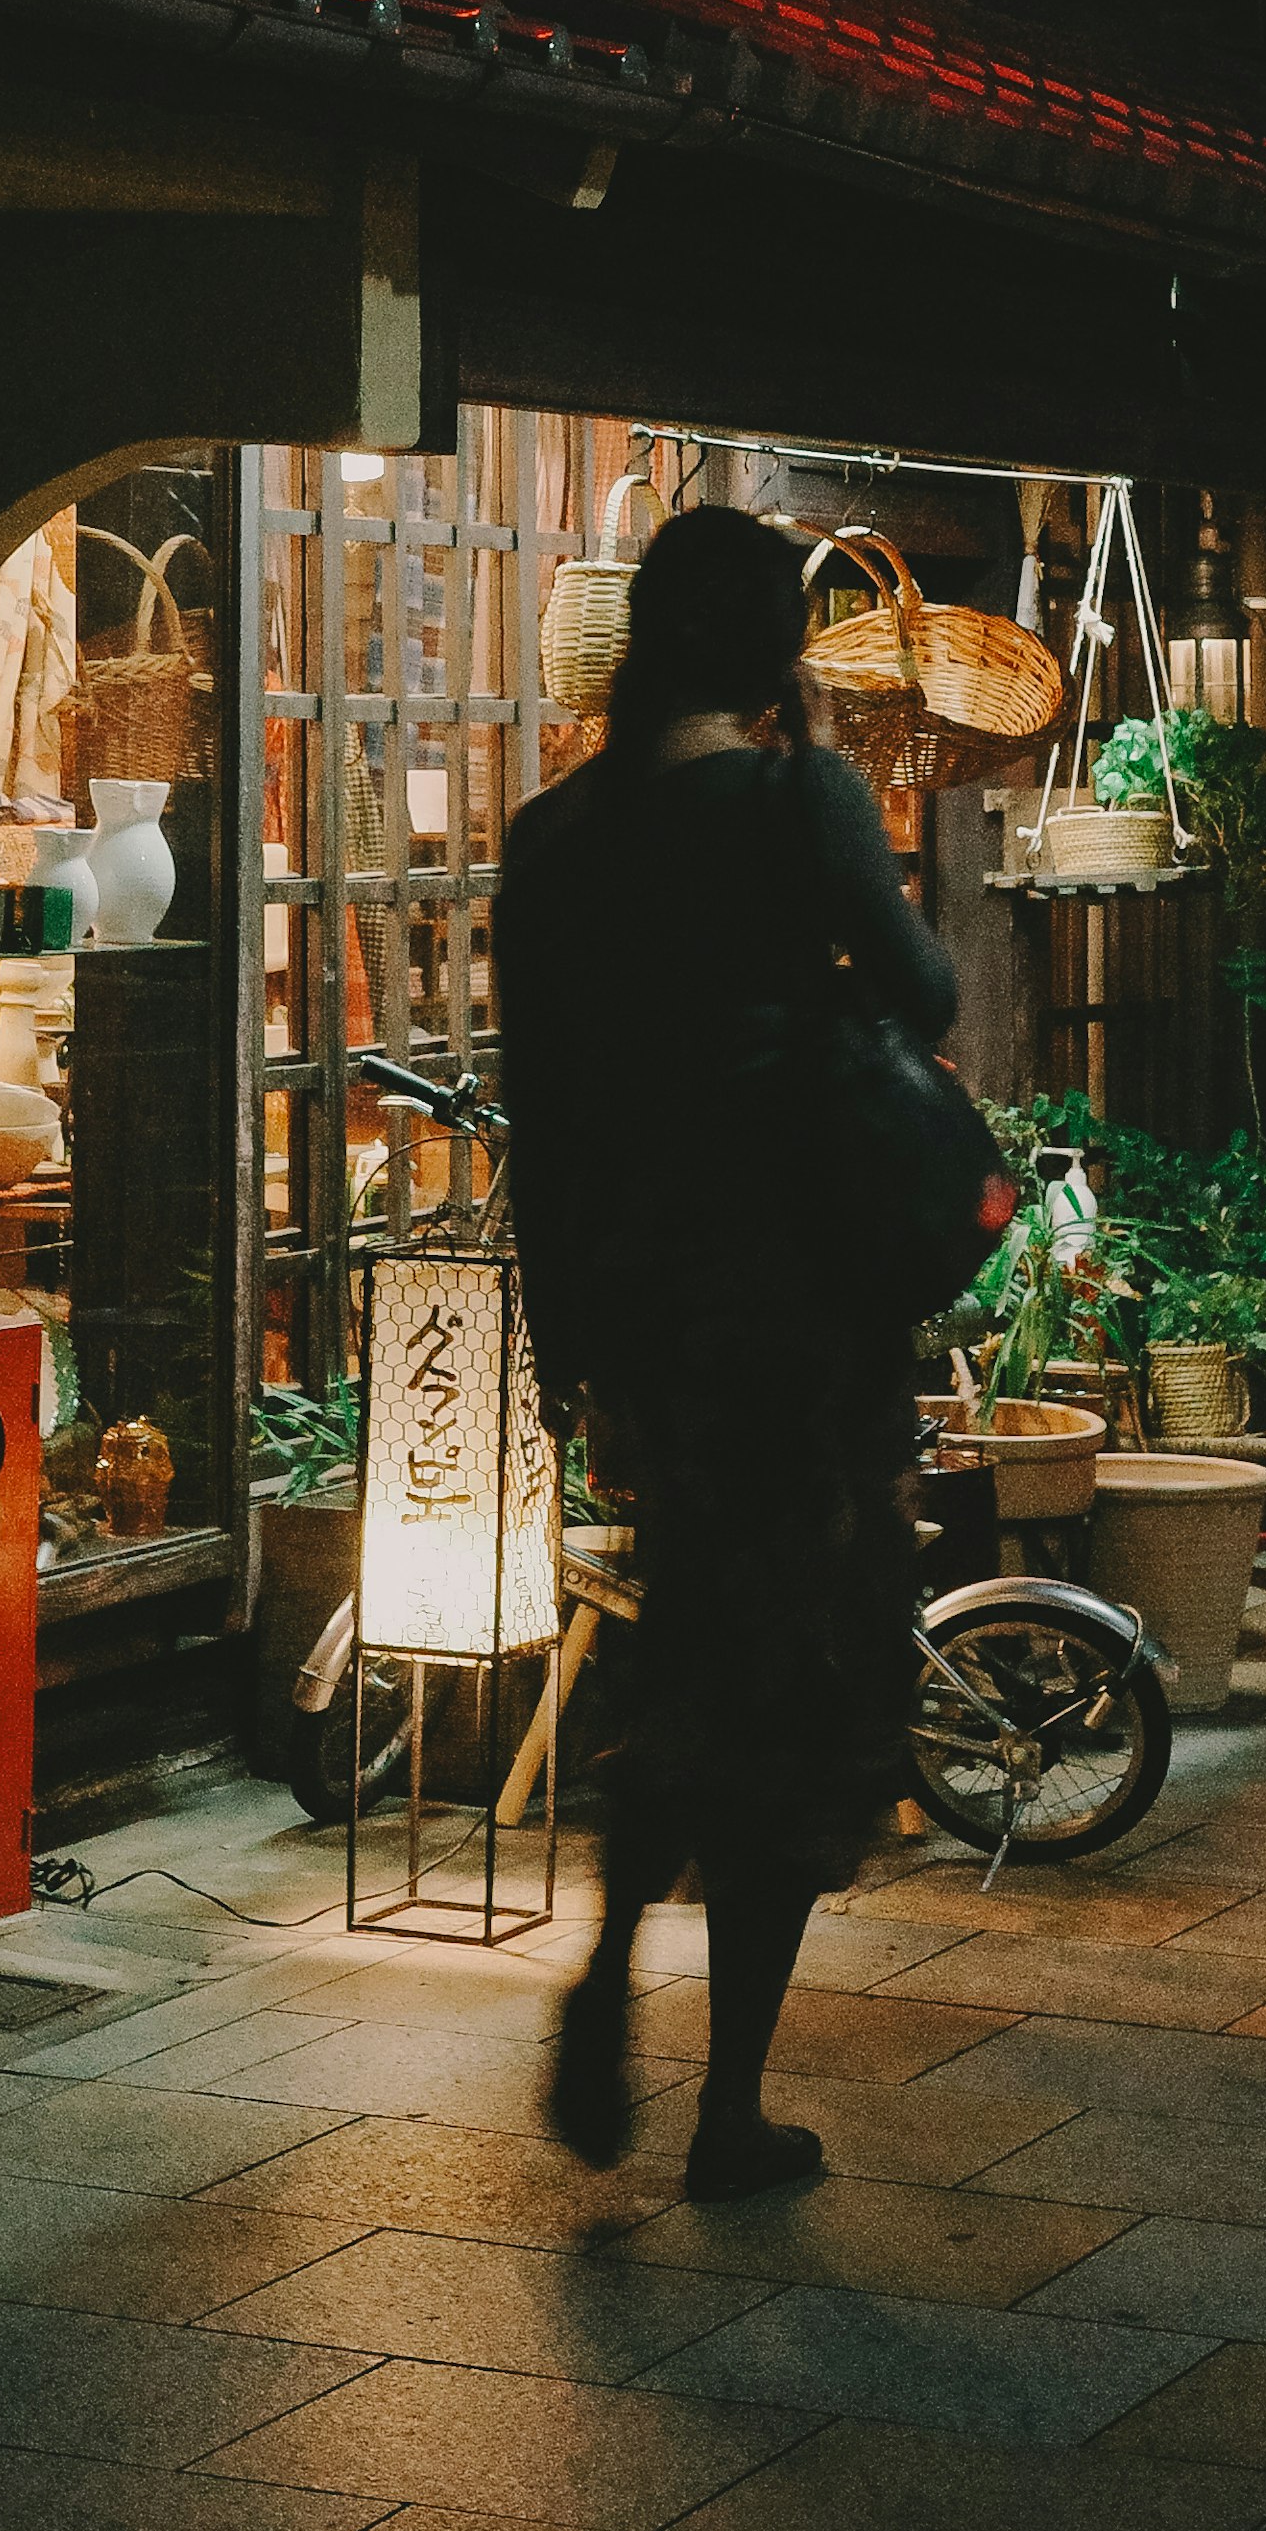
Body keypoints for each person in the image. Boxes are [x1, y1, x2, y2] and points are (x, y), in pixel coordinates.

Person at [492, 503, 958, 2197]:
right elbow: (926, 998)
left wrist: (566, 1348)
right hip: (806, 1325)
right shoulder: (796, 802)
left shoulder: (552, 841)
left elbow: (538, 1122)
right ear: (774, 658)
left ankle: (613, 1957)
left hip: (648, 1321)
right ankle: (728, 2109)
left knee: (689, 1633)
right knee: (803, 1681)